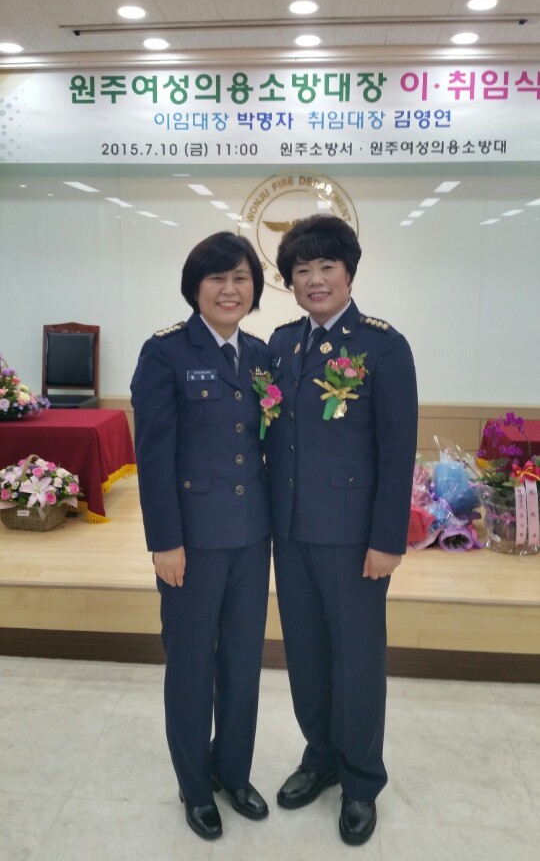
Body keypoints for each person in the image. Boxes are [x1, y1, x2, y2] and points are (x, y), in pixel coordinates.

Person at [266, 214, 417, 846]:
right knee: (305, 652)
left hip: (355, 540)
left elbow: (397, 451)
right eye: (302, 270)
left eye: (326, 266)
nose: (315, 279)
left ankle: (360, 779)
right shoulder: (280, 345)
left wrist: (387, 540)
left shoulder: (382, 346)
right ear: (290, 282)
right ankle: (321, 754)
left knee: (356, 660)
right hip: (290, 530)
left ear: (349, 272)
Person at [131, 232, 272, 841]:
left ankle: (232, 771)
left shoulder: (261, 354)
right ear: (195, 287)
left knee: (243, 662)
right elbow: (153, 457)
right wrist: (164, 541)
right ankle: (194, 787)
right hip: (190, 542)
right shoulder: (165, 352)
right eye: (217, 278)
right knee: (191, 666)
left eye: (241, 278)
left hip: (252, 537)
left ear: (255, 289)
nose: (229, 289)